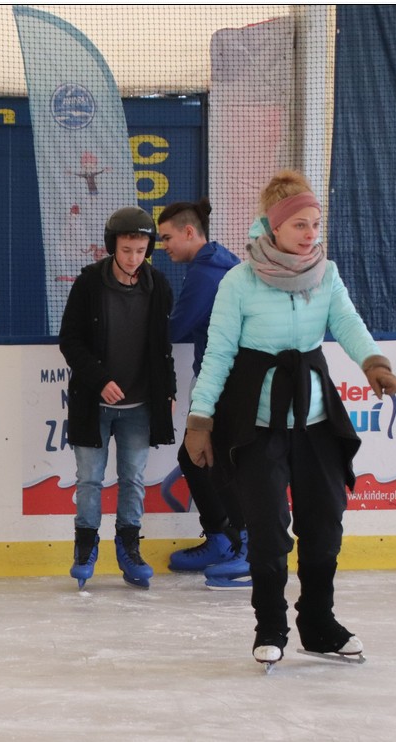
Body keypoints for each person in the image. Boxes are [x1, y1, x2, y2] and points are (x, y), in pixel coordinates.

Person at [182, 170, 396, 668]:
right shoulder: (239, 281)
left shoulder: (326, 273)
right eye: (300, 224)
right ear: (274, 226)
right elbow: (218, 353)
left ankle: (318, 624)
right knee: (267, 529)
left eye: (315, 224)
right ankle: (270, 626)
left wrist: (374, 363)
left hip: (315, 419)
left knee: (324, 524)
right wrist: (200, 421)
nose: (310, 234)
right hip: (257, 424)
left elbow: (347, 323)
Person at [58, 206, 176, 590]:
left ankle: (129, 548)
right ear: (112, 246)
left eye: (141, 250)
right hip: (94, 405)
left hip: (139, 406)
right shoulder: (89, 284)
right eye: (126, 250)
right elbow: (70, 341)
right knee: (90, 480)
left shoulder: (158, 286)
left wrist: (169, 390)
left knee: (134, 480)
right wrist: (100, 380)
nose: (133, 258)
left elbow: (163, 348)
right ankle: (85, 548)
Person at [156, 199, 250, 588]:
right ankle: (222, 539)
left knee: (211, 460)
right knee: (197, 458)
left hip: (224, 380)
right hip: (221, 377)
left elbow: (175, 329)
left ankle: (242, 545)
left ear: (190, 232)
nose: (163, 246)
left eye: (167, 238)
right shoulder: (221, 264)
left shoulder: (207, 274)